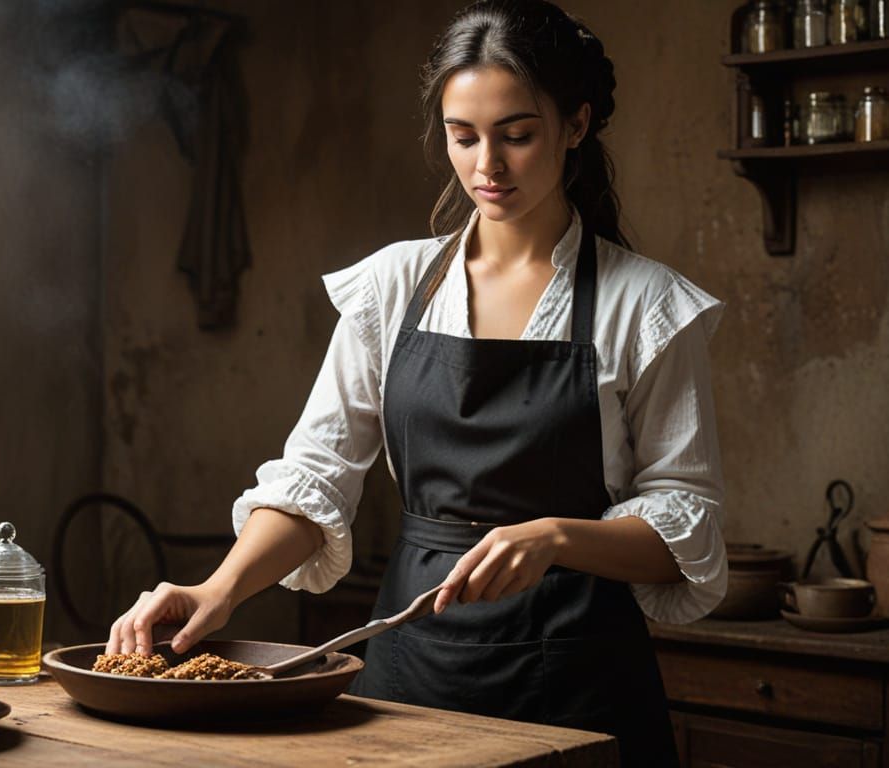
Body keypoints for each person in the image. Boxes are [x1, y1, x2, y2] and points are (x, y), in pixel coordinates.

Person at [107, 2, 726, 764]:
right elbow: (317, 477)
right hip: (411, 673)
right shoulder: (393, 286)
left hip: (579, 685)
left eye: (517, 134)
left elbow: (686, 521)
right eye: (463, 137)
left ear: (576, 124)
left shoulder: (649, 305)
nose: (486, 167)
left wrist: (557, 536)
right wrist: (219, 590)